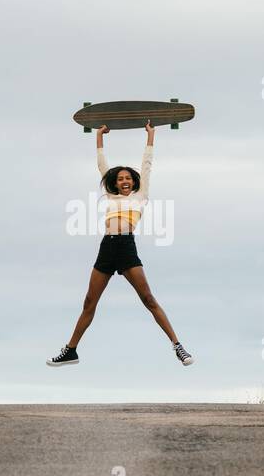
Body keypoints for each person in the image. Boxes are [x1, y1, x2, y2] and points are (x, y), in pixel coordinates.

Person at [47, 120, 193, 367]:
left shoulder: (141, 196)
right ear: (115, 182)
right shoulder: (110, 196)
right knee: (89, 303)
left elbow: (147, 165)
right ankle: (71, 350)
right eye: (120, 178)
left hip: (126, 248)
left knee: (148, 298)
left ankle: (178, 346)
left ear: (134, 182)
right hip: (107, 248)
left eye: (128, 178)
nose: (124, 180)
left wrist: (150, 136)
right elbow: (102, 166)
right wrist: (100, 137)